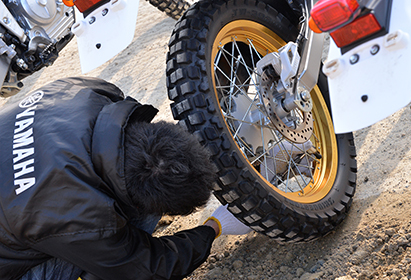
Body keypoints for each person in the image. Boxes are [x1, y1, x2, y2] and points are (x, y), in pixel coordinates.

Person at [0, 77, 251, 280]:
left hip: (17, 201)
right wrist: (213, 227)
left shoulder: (88, 89)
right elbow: (147, 268)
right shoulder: (79, 217)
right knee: (110, 263)